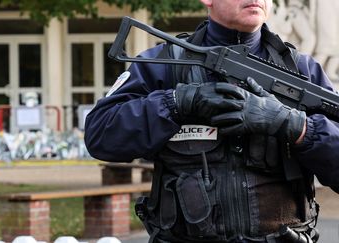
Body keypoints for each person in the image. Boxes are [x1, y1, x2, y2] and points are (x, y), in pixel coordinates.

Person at [84, 0, 339, 242]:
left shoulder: (302, 72)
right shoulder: (167, 64)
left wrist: (294, 125)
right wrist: (178, 102)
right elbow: (100, 134)